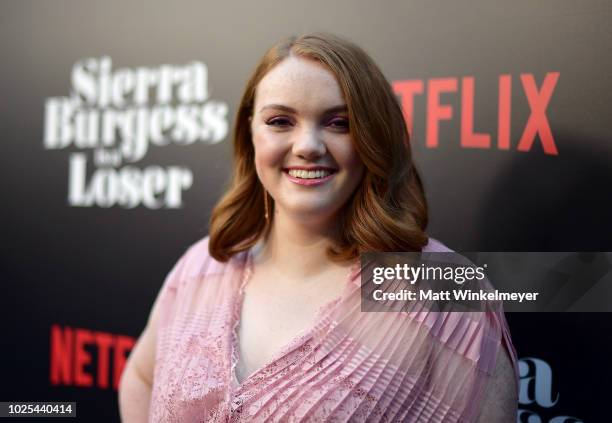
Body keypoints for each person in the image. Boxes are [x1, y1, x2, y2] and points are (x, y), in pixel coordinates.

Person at [118, 33, 519, 422]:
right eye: (280, 121)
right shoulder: (200, 268)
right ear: (250, 133)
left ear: (373, 138)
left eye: (339, 123)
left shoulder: (443, 291)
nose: (308, 145)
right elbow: (139, 378)